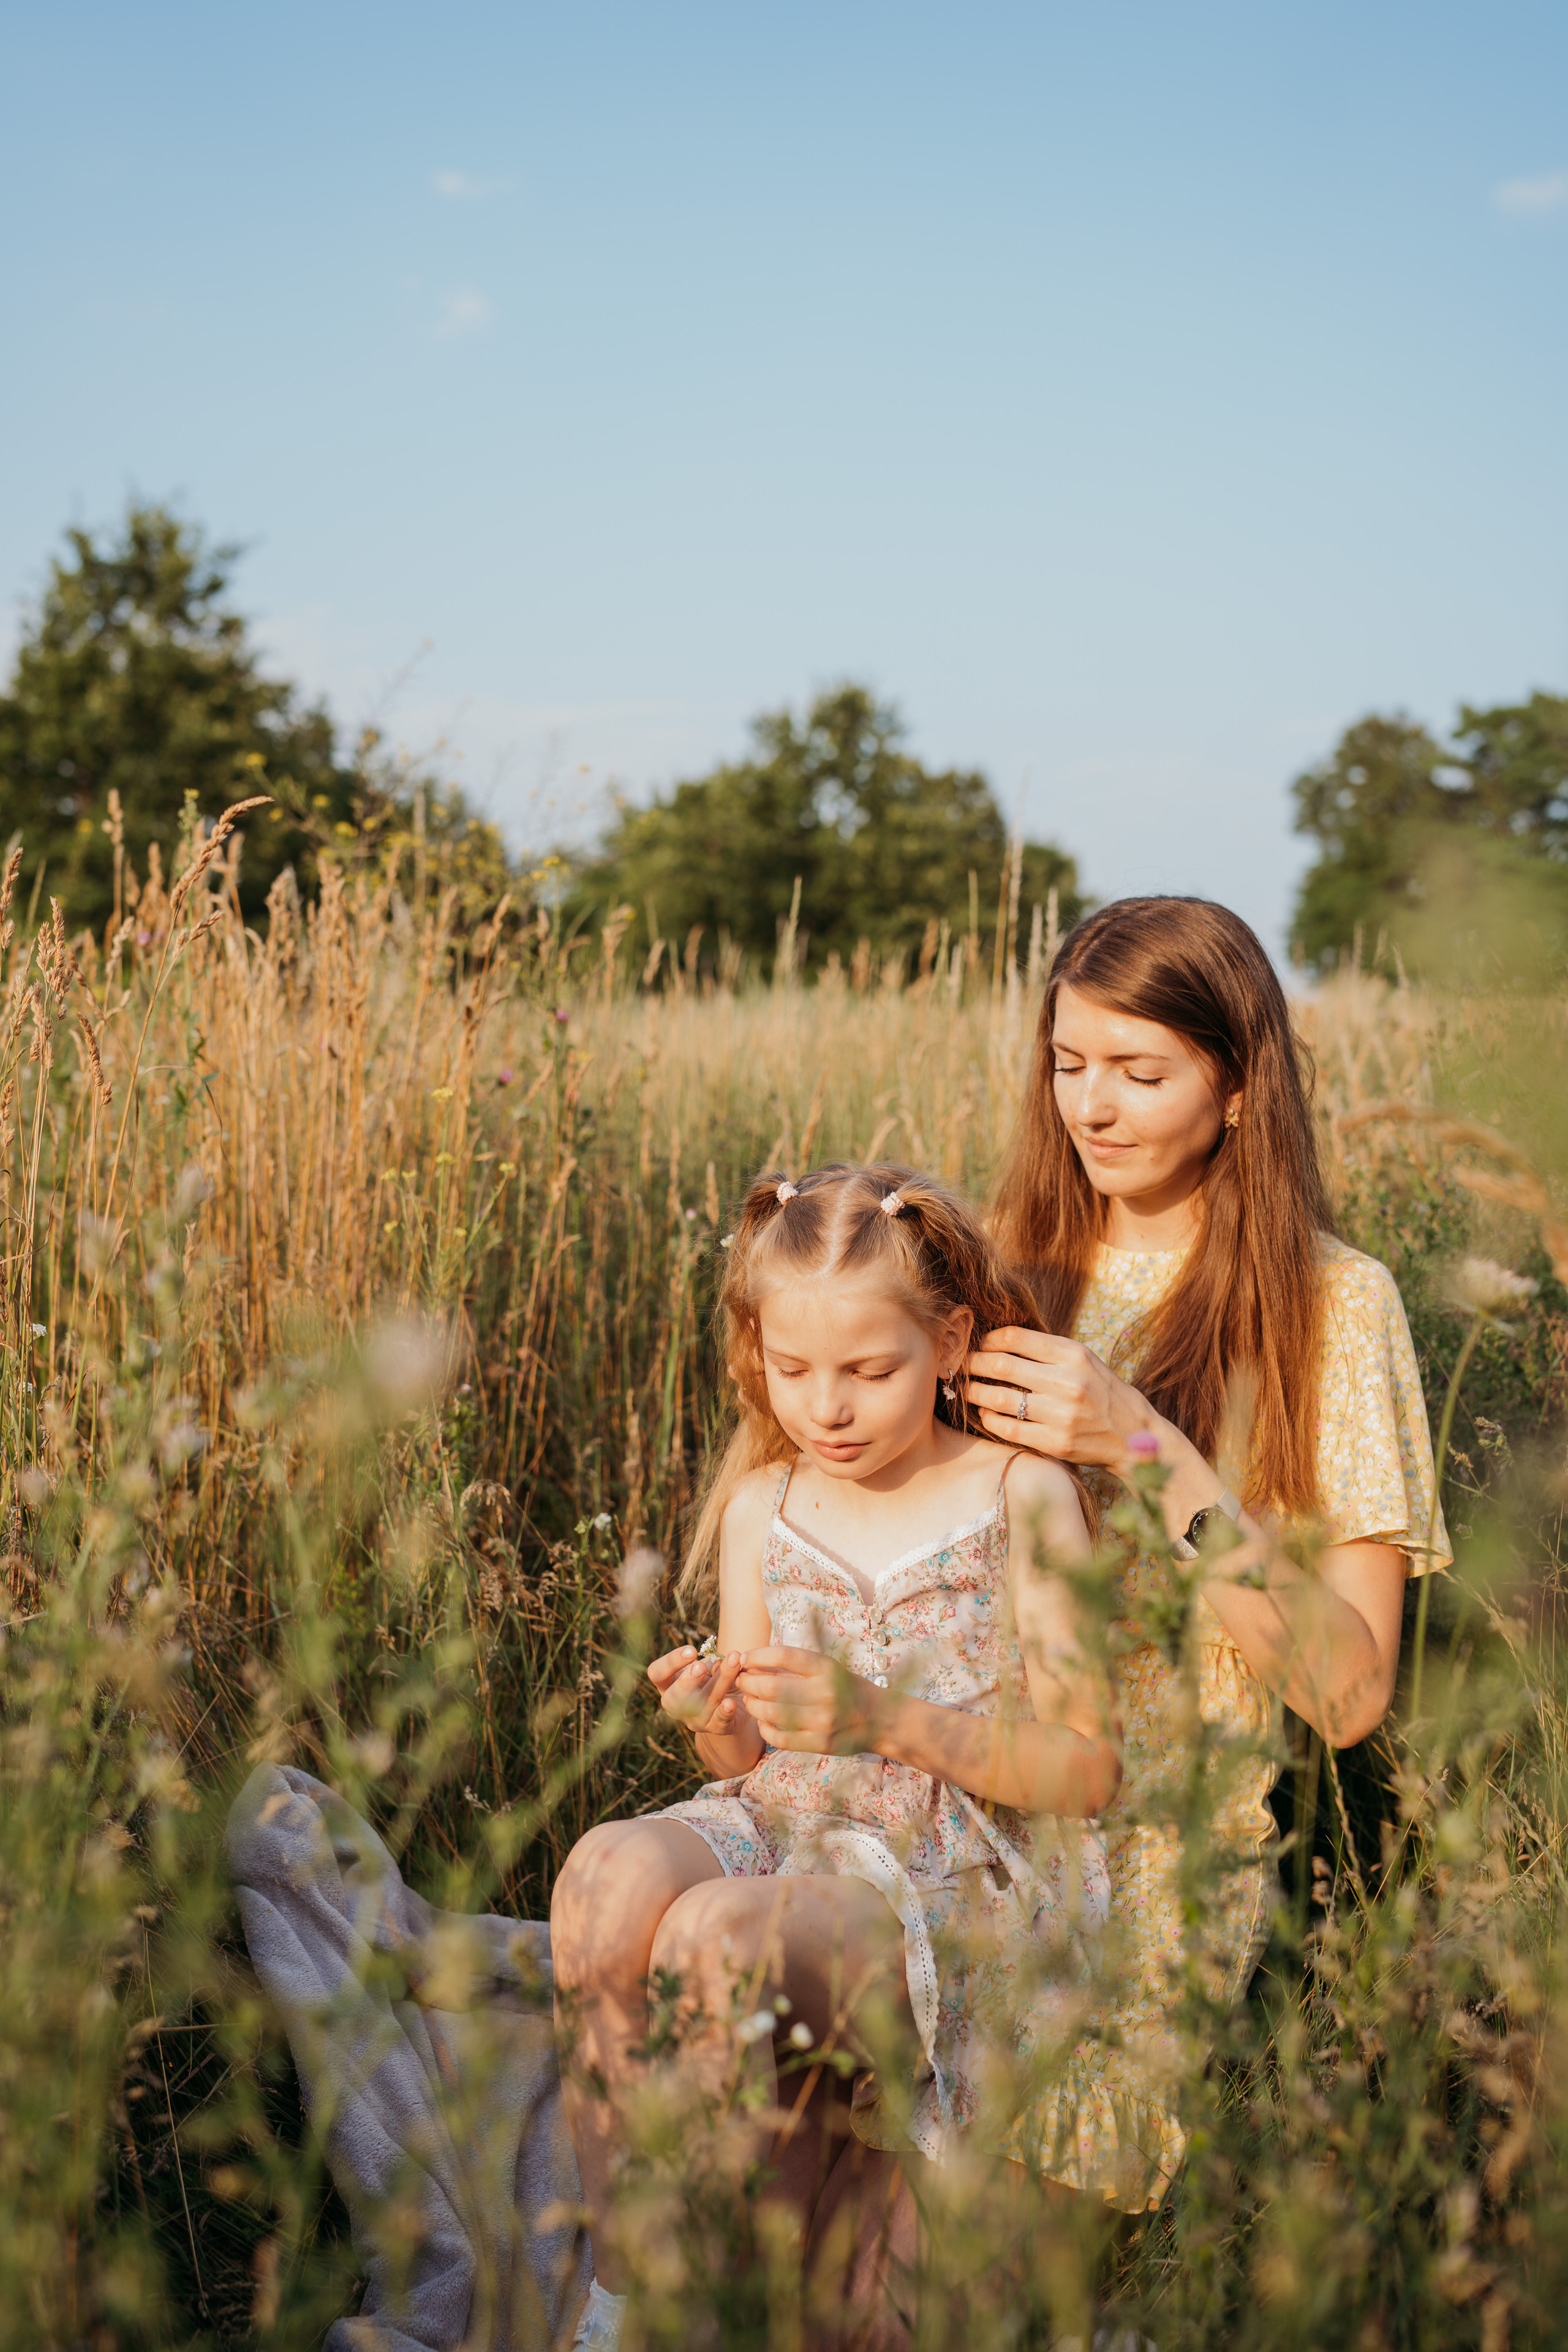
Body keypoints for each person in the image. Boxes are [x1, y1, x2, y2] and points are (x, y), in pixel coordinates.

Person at [548, 1163, 1121, 2350]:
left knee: (716, 1938)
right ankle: (619, 2303)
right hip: (781, 1818)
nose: (827, 1408)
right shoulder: (766, 1500)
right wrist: (713, 1715)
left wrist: (878, 1717)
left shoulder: (1024, 1496)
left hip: (932, 1868)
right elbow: (748, 1753)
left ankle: (707, 2304)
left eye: (868, 1371)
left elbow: (1085, 1770)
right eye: (791, 1369)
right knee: (600, 1888)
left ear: (950, 1339)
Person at [949, 893, 1450, 2215]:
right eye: (1067, 1064)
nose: (1089, 1107)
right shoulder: (1005, 1274)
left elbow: (1342, 1698)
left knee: (958, 2250)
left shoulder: (1334, 1306)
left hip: (1153, 1856)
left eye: (1137, 1071)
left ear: (1237, 1088)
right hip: (957, 1790)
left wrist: (1144, 1443)